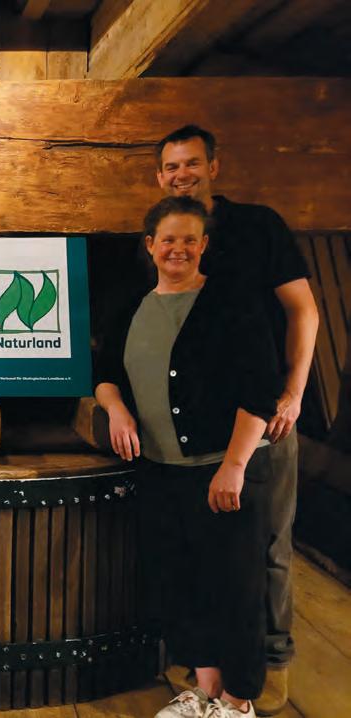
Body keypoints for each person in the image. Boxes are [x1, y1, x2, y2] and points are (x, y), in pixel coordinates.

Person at [95, 197, 282, 718]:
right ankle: (205, 691)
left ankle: (238, 701)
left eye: (189, 240)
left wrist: (235, 466)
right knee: (181, 582)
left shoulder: (232, 303)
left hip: (224, 471)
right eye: (168, 239)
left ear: (204, 246)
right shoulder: (131, 307)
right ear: (150, 245)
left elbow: (260, 390)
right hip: (162, 474)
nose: (178, 249)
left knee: (236, 587)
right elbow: (106, 374)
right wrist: (116, 410)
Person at [155, 125, 319, 715]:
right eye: (172, 166)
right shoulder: (168, 239)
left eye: (192, 163)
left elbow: (303, 311)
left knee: (267, 545)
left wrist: (292, 394)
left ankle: (267, 670)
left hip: (264, 418)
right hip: (196, 428)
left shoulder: (257, 227)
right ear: (160, 176)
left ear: (214, 167)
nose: (183, 174)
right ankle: (211, 675)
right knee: (205, 549)